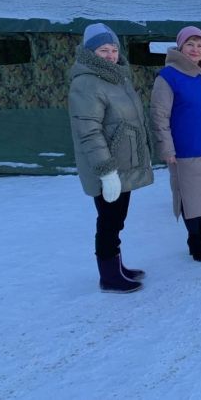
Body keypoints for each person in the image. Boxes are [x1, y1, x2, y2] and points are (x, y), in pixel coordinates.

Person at [68, 23, 153, 293]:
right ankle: (108, 276)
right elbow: (89, 132)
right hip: (109, 168)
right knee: (108, 221)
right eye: (103, 50)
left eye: (113, 49)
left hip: (123, 164)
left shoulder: (117, 77)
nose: (110, 55)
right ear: (90, 52)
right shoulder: (86, 83)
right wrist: (106, 171)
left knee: (117, 220)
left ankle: (117, 267)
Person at [150, 26, 201, 262]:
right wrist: (166, 148)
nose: (195, 49)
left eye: (200, 44)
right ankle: (193, 239)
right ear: (180, 46)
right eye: (190, 44)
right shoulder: (168, 76)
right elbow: (159, 115)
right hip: (185, 149)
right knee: (191, 197)